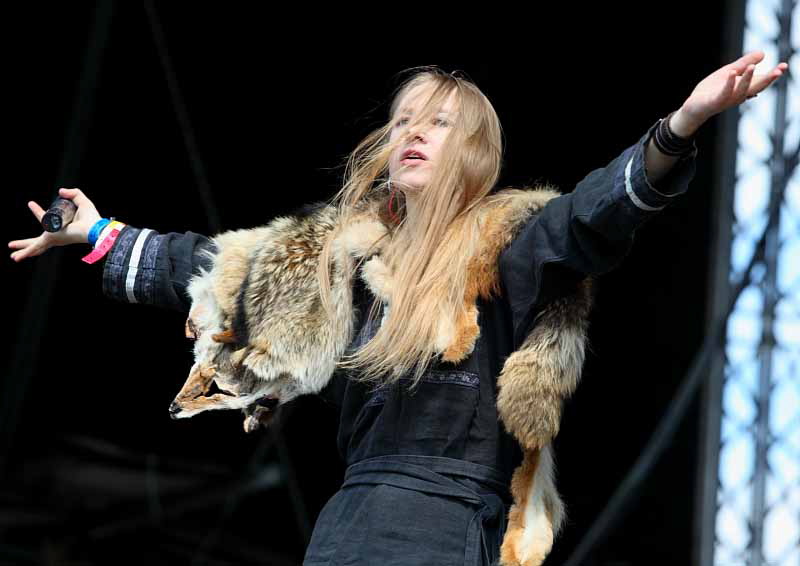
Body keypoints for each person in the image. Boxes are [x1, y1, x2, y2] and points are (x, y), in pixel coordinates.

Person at [9, 53, 788, 566]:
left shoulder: (505, 246)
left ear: (472, 152)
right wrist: (99, 234)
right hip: (349, 517)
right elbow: (223, 269)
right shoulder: (348, 257)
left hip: (444, 519)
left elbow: (590, 217)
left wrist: (680, 125)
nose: (415, 133)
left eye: (439, 123)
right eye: (406, 121)